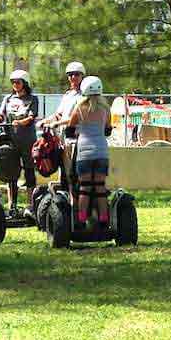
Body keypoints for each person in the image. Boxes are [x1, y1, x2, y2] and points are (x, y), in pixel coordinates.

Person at [0, 69, 39, 215]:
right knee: (11, 173)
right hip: (11, 141)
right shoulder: (8, 99)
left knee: (29, 171)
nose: (15, 84)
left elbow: (31, 117)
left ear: (25, 83)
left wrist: (21, 122)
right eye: (13, 82)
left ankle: (31, 204)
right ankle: (12, 205)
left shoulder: (32, 99)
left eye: (18, 82)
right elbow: (1, 114)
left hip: (27, 141)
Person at [68, 76, 110, 225]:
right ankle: (104, 219)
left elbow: (69, 130)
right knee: (100, 186)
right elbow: (107, 131)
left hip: (84, 152)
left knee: (85, 187)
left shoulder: (79, 108)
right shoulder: (105, 108)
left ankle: (81, 219)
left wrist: (79, 132)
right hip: (101, 151)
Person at [42, 61, 86, 189]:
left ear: (82, 76)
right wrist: (45, 121)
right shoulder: (68, 95)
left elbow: (75, 118)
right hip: (64, 139)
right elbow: (58, 114)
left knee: (74, 174)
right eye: (70, 75)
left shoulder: (84, 96)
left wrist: (56, 123)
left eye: (76, 74)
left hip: (77, 139)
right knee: (65, 173)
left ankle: (76, 204)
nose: (73, 77)